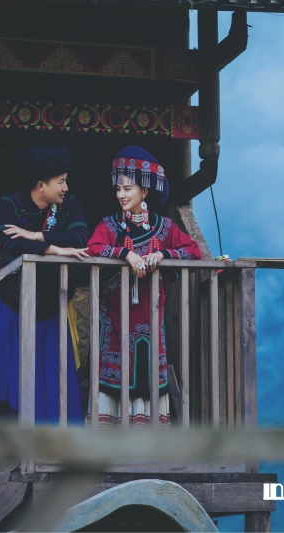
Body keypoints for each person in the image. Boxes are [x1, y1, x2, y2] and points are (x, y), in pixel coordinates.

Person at [87, 145, 201, 427]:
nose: (121, 195)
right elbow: (92, 248)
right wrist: (126, 254)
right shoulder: (109, 226)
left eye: (128, 189)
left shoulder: (164, 228)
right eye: (118, 189)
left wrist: (163, 255)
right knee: (114, 375)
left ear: (145, 192)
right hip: (115, 319)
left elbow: (193, 251)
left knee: (147, 372)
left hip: (151, 319)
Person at [0, 141, 89, 424]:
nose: (66, 187)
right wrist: (56, 249)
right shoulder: (9, 204)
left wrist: (36, 237)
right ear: (42, 185)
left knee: (55, 375)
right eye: (61, 182)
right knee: (10, 373)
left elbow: (81, 238)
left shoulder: (70, 204)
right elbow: (9, 243)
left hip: (51, 303)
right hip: (11, 303)